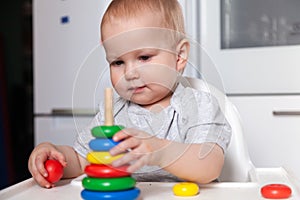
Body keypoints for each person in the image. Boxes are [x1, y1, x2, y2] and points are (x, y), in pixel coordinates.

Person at [28, 0, 231, 188]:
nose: (130, 73)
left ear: (179, 57)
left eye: (144, 57)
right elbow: (81, 160)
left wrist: (158, 151)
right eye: (118, 62)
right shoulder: (112, 115)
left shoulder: (198, 106)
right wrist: (55, 156)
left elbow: (209, 165)